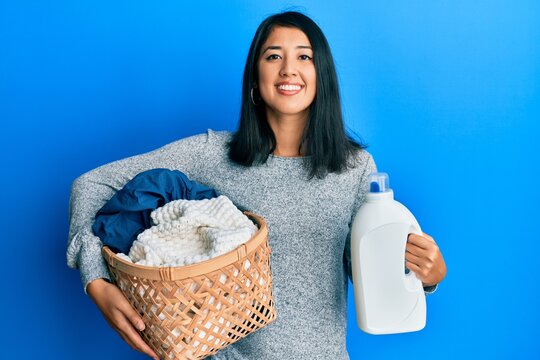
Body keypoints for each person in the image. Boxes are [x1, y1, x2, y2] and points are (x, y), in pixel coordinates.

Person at [66, 10, 447, 360]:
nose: (288, 69)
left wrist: (423, 274)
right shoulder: (212, 153)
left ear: (322, 75)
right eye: (273, 56)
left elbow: (365, 269)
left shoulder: (355, 168)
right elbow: (90, 184)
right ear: (255, 77)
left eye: (304, 56)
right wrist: (96, 281)